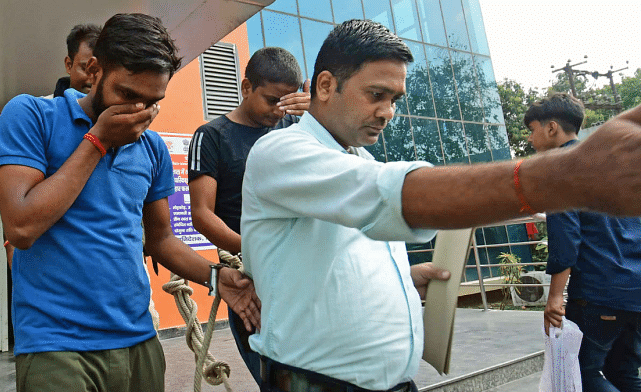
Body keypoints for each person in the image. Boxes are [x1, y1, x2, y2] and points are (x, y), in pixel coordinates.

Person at [241, 19, 641, 392]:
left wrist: (398, 276)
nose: (388, 112)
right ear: (326, 86)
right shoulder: (281, 152)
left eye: (395, 99)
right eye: (376, 95)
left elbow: (343, 243)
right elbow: (395, 196)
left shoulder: (359, 161)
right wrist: (564, 178)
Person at [0, 13, 260, 392]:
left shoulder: (152, 148)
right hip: (57, 346)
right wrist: (98, 141)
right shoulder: (31, 115)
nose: (139, 114)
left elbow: (161, 239)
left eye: (153, 102)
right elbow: (20, 228)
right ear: (95, 71)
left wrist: (216, 277)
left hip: (138, 340)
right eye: (128, 95)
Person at [188, 46, 310, 384]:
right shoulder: (211, 136)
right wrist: (259, 250)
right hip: (249, 279)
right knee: (277, 379)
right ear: (245, 88)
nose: (279, 110)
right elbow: (202, 215)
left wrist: (321, 120)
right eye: (271, 100)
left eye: (287, 102)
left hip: (303, 276)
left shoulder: (299, 129)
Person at [526, 93, 641, 392]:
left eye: (532, 129)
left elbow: (566, 240)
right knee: (624, 372)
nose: (529, 138)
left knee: (583, 373)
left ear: (552, 128)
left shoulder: (560, 170)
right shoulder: (616, 168)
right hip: (636, 291)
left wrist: (554, 299)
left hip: (599, 292)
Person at [49, 23, 102, 98]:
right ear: (69, 65)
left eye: (98, 70)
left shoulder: (117, 108)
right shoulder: (41, 108)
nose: (93, 77)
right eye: (86, 69)